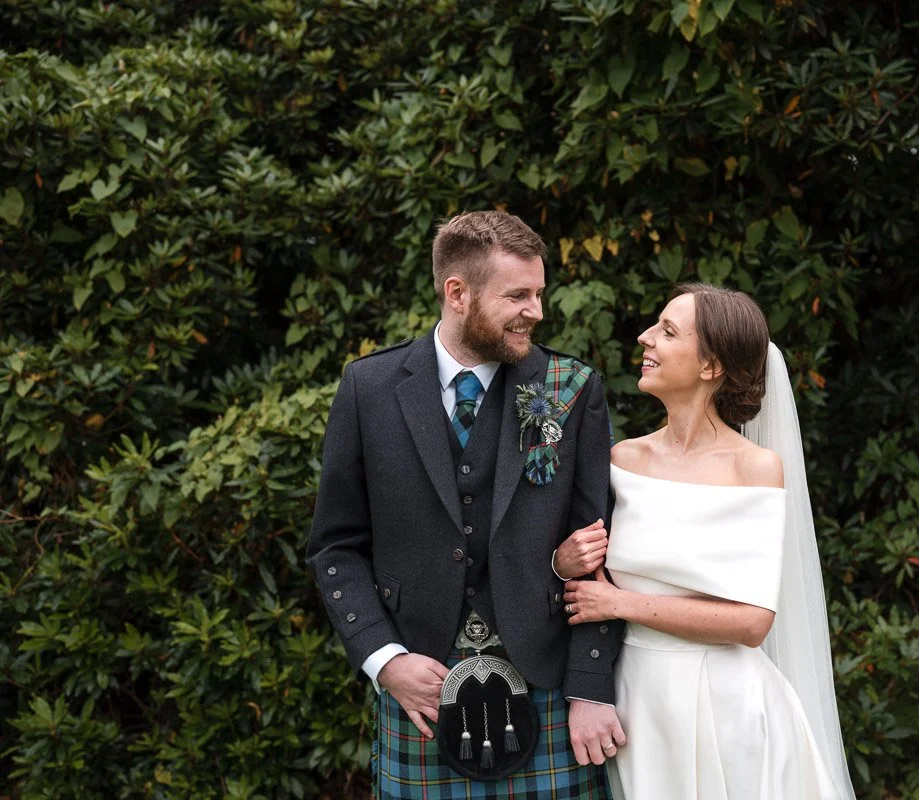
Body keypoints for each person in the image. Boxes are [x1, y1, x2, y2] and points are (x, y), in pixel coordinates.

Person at [306, 210, 625, 799]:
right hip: (422, 685)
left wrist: (590, 687)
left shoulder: (568, 387)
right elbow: (335, 546)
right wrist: (384, 659)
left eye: (539, 293)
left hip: (548, 683)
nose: (537, 310)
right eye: (518, 295)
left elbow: (602, 548)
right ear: (457, 293)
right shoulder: (369, 389)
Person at [557, 283, 857, 799]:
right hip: (636, 705)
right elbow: (583, 568)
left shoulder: (754, 469)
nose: (645, 337)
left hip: (726, 708)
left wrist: (620, 602)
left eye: (667, 332)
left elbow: (751, 622)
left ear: (710, 367)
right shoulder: (623, 460)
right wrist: (562, 562)